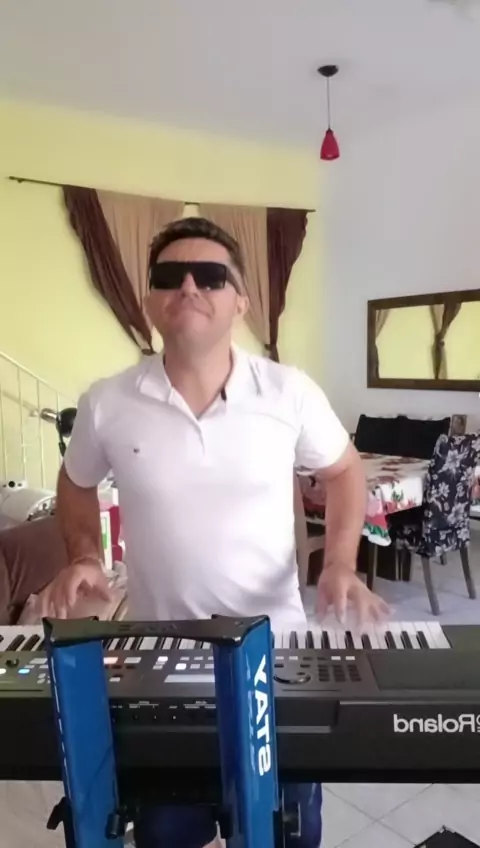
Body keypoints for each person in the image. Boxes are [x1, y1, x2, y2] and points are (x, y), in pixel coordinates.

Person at [41, 217, 389, 848]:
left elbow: (344, 470)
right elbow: (76, 480)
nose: (189, 287)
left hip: (275, 656)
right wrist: (84, 554)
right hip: (161, 661)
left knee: (285, 834)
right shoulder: (107, 403)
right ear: (150, 299)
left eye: (210, 276)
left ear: (240, 302)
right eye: (170, 276)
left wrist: (340, 563)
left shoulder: (288, 392)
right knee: (168, 835)